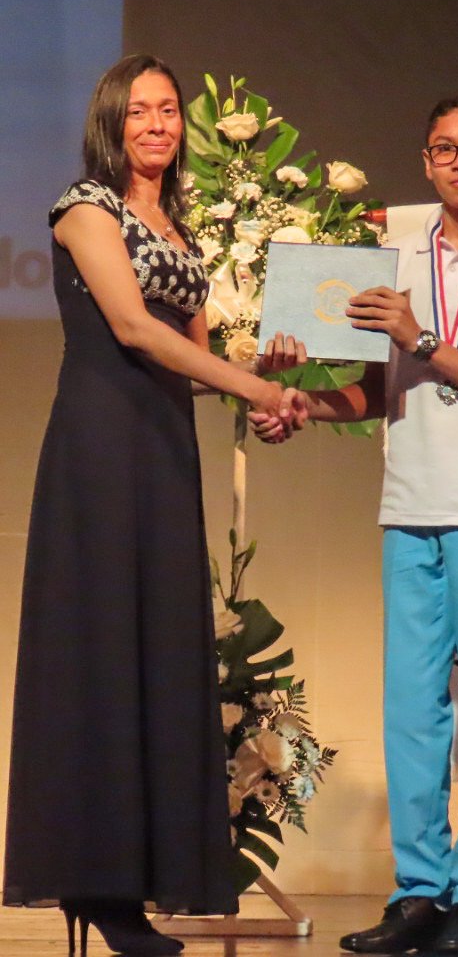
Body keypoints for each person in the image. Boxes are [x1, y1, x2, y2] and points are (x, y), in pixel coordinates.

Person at [253, 93, 458, 954]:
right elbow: (372, 391)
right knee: (413, 711)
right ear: (426, 161)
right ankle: (420, 892)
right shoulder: (391, 257)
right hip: (410, 506)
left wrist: (423, 340)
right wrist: (295, 404)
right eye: (446, 148)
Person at [2, 54, 299, 956]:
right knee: (99, 653)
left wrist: (269, 387)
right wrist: (249, 384)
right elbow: (133, 328)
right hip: (99, 448)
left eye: (169, 110)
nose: (158, 124)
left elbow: (196, 363)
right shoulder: (84, 208)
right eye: (140, 111)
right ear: (111, 121)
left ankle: (133, 883)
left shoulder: (180, 227)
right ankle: (93, 883)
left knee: (158, 653)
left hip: (165, 455)